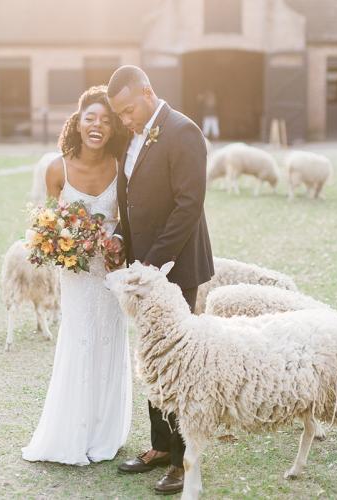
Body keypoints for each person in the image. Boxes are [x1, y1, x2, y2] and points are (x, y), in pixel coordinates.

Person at [107, 66, 214, 495]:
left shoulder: (183, 131)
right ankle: (160, 447)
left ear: (148, 93)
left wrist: (151, 266)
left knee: (179, 368)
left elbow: (188, 205)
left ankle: (185, 458)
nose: (126, 120)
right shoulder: (132, 137)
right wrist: (119, 237)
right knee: (153, 359)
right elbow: (131, 200)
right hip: (143, 271)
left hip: (175, 270)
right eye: (121, 114)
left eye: (129, 109)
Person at [21, 86, 131, 466]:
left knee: (109, 342)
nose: (97, 125)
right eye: (91, 118)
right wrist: (59, 245)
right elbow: (43, 224)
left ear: (112, 128)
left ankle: (104, 433)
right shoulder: (57, 168)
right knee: (79, 341)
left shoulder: (121, 166)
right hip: (77, 275)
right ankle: (71, 432)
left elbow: (127, 221)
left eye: (105, 120)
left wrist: (115, 241)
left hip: (111, 273)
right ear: (78, 122)